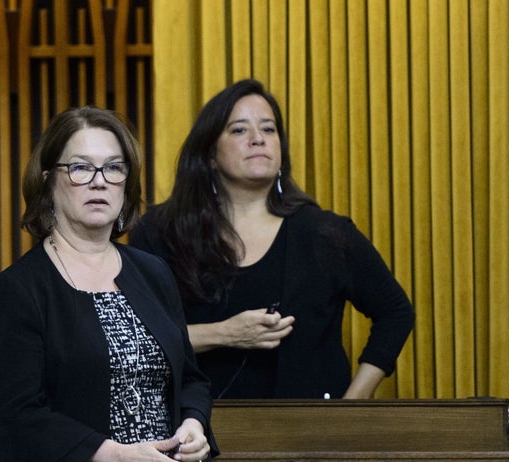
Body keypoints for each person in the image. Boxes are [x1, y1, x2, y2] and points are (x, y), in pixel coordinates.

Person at [0, 106, 218, 462]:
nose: (99, 182)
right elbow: (19, 418)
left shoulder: (154, 274)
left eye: (113, 168)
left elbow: (190, 378)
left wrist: (193, 425)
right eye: (80, 168)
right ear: (47, 181)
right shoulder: (18, 289)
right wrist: (120, 458)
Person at [130, 79, 415, 400]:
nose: (258, 140)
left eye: (268, 130)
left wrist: (351, 408)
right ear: (209, 154)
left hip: (310, 439)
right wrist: (225, 333)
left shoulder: (325, 234)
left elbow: (396, 312)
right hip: (194, 433)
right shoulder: (159, 233)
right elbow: (131, 339)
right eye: (239, 130)